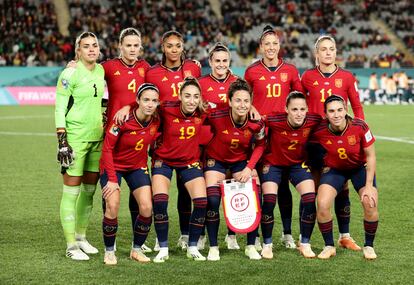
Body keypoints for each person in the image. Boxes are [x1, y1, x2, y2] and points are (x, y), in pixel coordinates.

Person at [301, 34, 364, 251]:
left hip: (340, 141)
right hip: (314, 142)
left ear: (336, 52)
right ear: (316, 54)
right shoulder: (307, 76)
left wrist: (360, 138)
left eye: (332, 49)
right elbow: (298, 105)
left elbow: (357, 108)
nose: (328, 53)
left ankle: (344, 235)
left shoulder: (346, 77)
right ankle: (305, 239)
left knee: (343, 187)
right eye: (324, 49)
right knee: (315, 190)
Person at [244, 25, 304, 249]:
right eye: (267, 44)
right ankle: (256, 235)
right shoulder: (251, 71)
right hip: (259, 133)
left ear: (279, 46)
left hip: (283, 135)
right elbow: (242, 96)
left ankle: (287, 233)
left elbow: (299, 97)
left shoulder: (290, 69)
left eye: (274, 44)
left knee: (284, 186)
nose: (271, 47)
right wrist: (251, 107)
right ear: (261, 47)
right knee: (259, 185)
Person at [145, 30, 201, 251]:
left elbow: (201, 93)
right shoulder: (153, 73)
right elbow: (144, 99)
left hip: (187, 137)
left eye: (178, 45)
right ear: (163, 47)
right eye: (170, 46)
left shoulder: (194, 68)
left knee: (186, 189)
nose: (174, 50)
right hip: (163, 138)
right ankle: (159, 237)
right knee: (159, 192)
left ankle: (186, 235)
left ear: (182, 47)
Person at [55, 32, 105, 260]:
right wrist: (62, 140)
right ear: (78, 50)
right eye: (86, 46)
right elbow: (59, 107)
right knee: (71, 191)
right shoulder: (69, 73)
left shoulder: (101, 70)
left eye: (94, 45)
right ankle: (70, 245)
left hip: (97, 138)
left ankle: (81, 237)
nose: (92, 49)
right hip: (75, 138)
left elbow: (98, 99)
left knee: (89, 190)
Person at [203, 78, 265, 261]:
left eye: (246, 101)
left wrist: (249, 168)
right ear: (229, 101)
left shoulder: (256, 123)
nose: (242, 105)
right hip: (216, 161)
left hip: (240, 162)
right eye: (238, 100)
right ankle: (213, 247)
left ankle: (251, 246)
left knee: (255, 192)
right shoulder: (216, 115)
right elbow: (195, 117)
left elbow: (261, 145)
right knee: (213, 200)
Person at [311, 95, 379, 260]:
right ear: (325, 114)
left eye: (340, 110)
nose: (336, 115)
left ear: (346, 110)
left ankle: (369, 246)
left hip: (359, 168)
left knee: (370, 202)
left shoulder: (359, 126)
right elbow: (310, 153)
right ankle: (329, 245)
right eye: (332, 111)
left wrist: (369, 185)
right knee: (322, 203)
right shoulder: (319, 131)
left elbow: (371, 156)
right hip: (335, 170)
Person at [99, 83, 160, 265]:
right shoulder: (122, 119)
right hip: (113, 166)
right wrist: (111, 179)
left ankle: (136, 249)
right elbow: (107, 149)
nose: (150, 104)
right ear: (137, 101)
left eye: (154, 101)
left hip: (137, 167)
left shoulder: (157, 119)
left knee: (147, 207)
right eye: (146, 100)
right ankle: (109, 251)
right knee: (112, 205)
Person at [150, 77, 207, 262]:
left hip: (189, 161)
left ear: (200, 98)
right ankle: (163, 247)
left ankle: (192, 246)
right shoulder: (165, 107)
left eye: (196, 97)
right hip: (164, 160)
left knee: (201, 202)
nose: (192, 100)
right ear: (180, 96)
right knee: (159, 201)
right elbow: (145, 106)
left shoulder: (204, 111)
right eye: (188, 96)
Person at [258, 91, 320, 259]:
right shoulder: (274, 119)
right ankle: (267, 244)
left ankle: (305, 243)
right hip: (273, 164)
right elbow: (255, 120)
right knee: (269, 200)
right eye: (294, 109)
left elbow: (332, 122)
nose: (299, 113)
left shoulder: (314, 120)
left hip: (297, 165)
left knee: (309, 198)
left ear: (307, 109)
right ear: (286, 109)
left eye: (302, 109)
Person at [198, 42, 240, 250]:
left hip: (235, 146)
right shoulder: (201, 83)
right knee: (208, 195)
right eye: (217, 61)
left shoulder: (238, 83)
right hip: (209, 146)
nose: (221, 64)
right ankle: (203, 233)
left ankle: (232, 235)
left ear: (229, 61)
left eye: (225, 60)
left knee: (233, 190)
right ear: (210, 62)